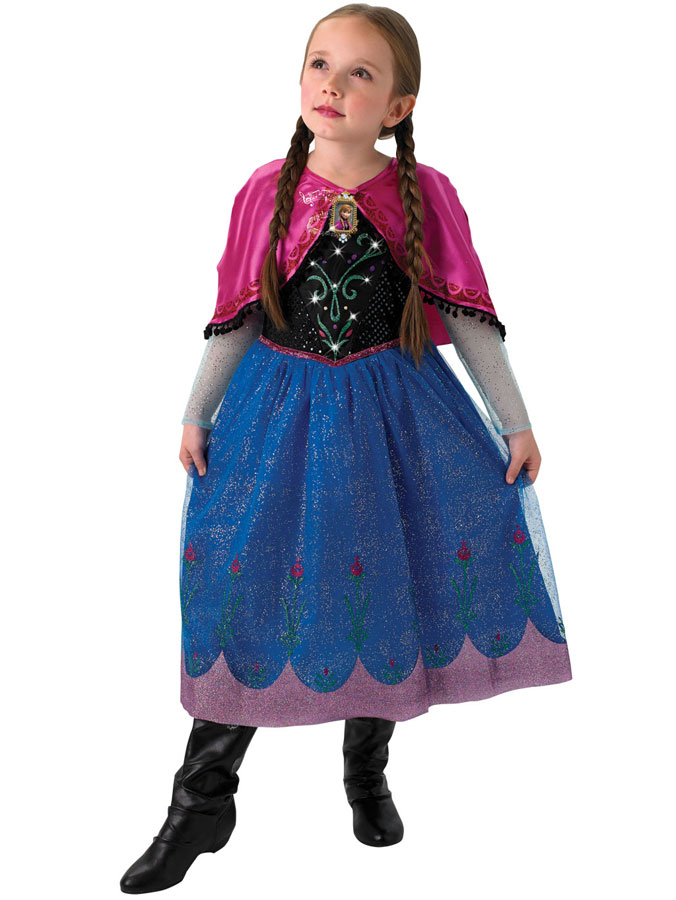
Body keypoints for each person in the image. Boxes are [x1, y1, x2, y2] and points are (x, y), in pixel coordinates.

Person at [120, 4, 573, 893]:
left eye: (360, 73)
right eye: (320, 64)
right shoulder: (267, 190)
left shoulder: (425, 193)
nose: (332, 84)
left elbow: (471, 317)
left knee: (383, 576)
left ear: (398, 107)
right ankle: (201, 799)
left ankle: (366, 770)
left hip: (393, 415)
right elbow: (235, 315)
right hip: (276, 415)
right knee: (247, 588)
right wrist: (196, 411)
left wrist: (514, 422)